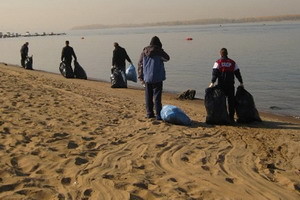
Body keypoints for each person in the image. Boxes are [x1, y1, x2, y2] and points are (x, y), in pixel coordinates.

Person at [138, 36, 170, 120]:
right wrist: (161, 51)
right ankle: (158, 114)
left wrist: (140, 77)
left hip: (147, 77)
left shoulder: (144, 51)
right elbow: (167, 58)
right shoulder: (159, 51)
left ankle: (149, 113)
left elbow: (140, 64)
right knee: (157, 97)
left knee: (148, 96)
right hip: (157, 77)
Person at [209, 48, 243, 122]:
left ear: (220, 54)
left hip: (221, 85)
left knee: (221, 101)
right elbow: (237, 73)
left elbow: (215, 73)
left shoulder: (218, 62)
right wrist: (241, 82)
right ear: (227, 53)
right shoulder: (233, 62)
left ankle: (222, 116)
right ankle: (231, 117)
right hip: (230, 85)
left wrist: (212, 82)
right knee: (231, 102)